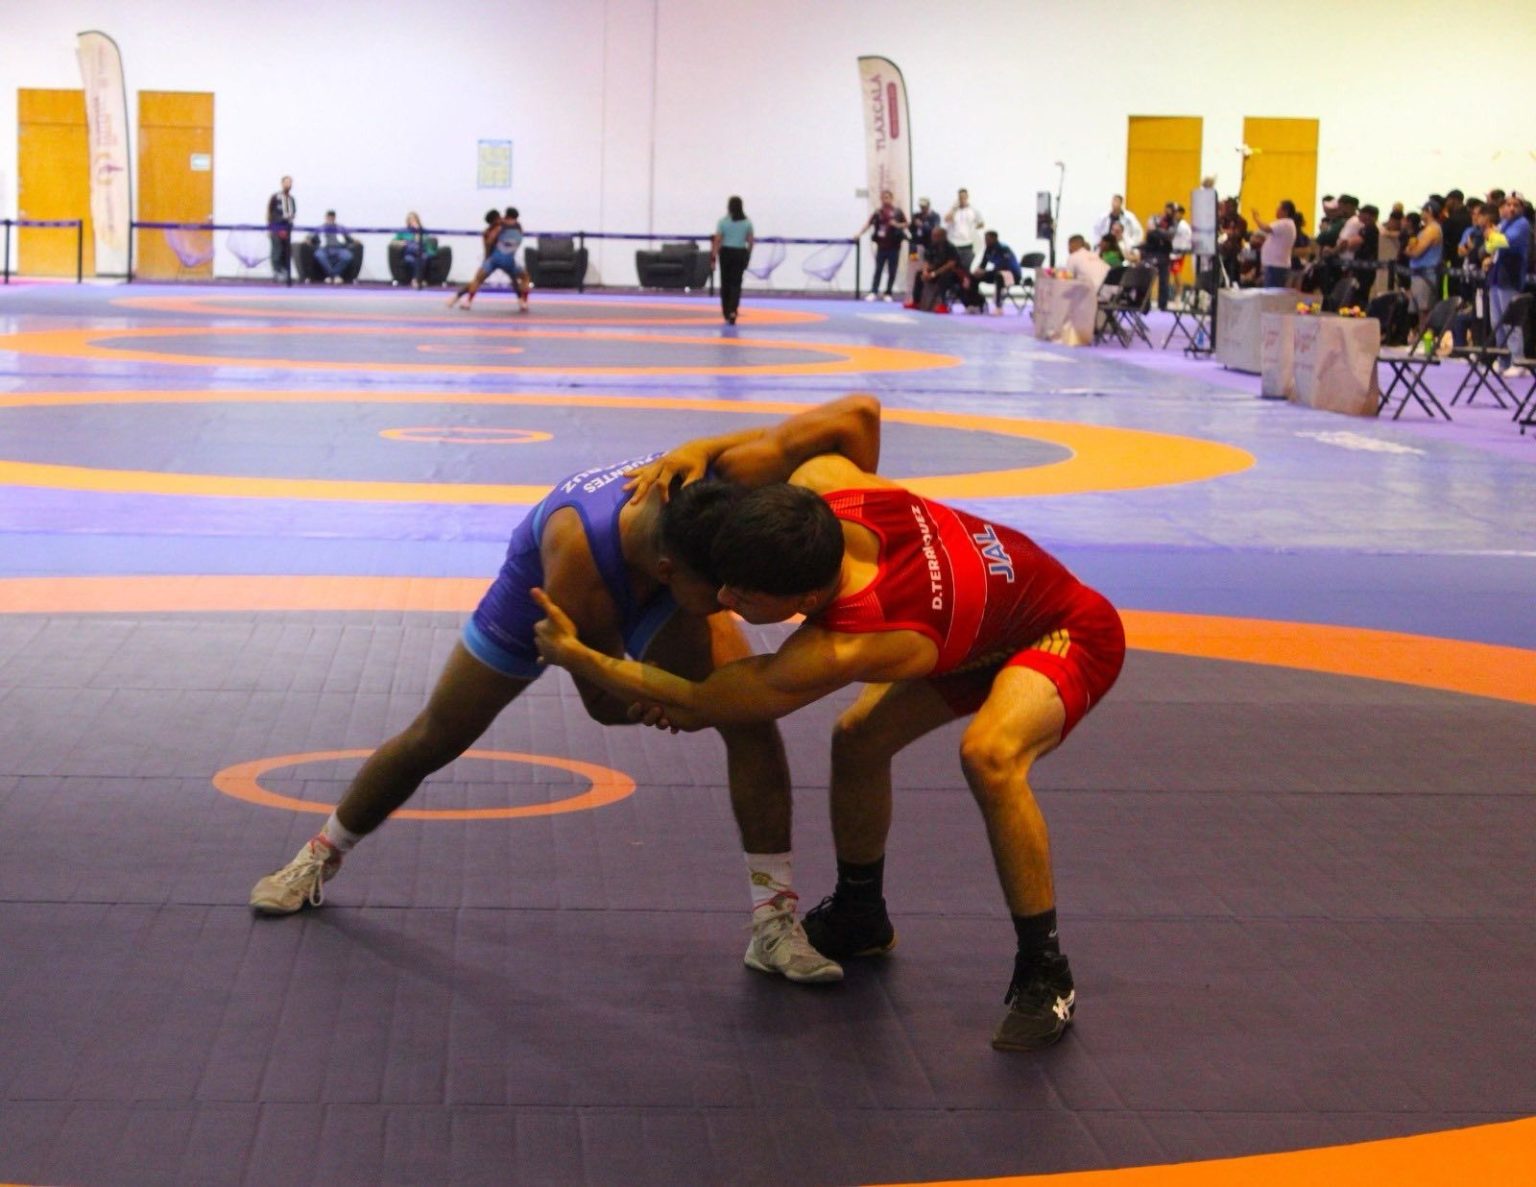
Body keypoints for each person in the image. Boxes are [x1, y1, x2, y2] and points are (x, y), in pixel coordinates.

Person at [536, 413, 1125, 1052]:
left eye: (744, 596)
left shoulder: (849, 643)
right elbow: (854, 415)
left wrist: (581, 657)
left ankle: (1046, 972)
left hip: (1063, 631)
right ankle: (860, 913)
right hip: (979, 623)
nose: (725, 598)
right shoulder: (826, 483)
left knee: (990, 755)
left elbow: (706, 702)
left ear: (806, 602)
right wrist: (702, 448)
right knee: (858, 738)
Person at [250, 397, 886, 985]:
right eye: (721, 595)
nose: (731, 605)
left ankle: (773, 922)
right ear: (670, 573)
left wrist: (708, 443)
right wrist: (686, 703)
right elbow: (604, 706)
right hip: (547, 596)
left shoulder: (728, 481)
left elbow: (857, 415)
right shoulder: (578, 561)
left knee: (749, 721)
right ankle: (321, 853)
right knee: (438, 734)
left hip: (665, 572)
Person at [1486, 192, 1532, 372]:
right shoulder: (1504, 223)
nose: (1511, 208)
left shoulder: (1522, 224)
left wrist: (1492, 234)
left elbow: (1505, 241)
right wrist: (1493, 237)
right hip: (1496, 276)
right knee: (1497, 322)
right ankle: (1503, 360)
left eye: (1516, 205)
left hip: (1510, 277)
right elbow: (1490, 247)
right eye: (1508, 204)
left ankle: (1518, 361)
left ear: (1521, 208)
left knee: (1510, 322)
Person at [450, 207, 529, 312]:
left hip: (495, 258)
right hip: (509, 259)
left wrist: (487, 254)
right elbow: (517, 243)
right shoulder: (519, 228)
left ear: (506, 215)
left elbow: (489, 241)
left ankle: (468, 302)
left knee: (478, 279)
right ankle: (523, 302)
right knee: (523, 277)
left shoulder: (499, 226)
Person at [857, 190, 908, 302]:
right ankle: (873, 291)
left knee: (892, 270)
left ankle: (888, 293)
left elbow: (906, 224)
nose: (886, 200)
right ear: (881, 199)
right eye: (884, 197)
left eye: (888, 197)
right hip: (882, 246)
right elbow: (868, 224)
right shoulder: (878, 212)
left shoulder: (897, 212)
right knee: (878, 270)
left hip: (894, 246)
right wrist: (859, 234)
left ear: (892, 198)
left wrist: (897, 225)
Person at [712, 195, 754, 325]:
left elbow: (717, 240)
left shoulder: (723, 222)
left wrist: (713, 257)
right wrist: (748, 255)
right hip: (740, 253)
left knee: (725, 282)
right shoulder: (747, 223)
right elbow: (750, 241)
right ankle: (733, 310)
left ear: (729, 207)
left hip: (726, 253)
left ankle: (726, 310)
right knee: (736, 283)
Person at [1404, 199, 1445, 319]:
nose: (1421, 213)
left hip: (1425, 274)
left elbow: (1415, 252)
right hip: (1419, 273)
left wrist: (1409, 250)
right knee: (1419, 311)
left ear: (1429, 212)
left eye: (1423, 210)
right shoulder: (1426, 229)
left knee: (1424, 311)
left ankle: (1425, 331)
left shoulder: (1432, 229)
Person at [909, 226, 962, 312]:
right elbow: (927, 261)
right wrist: (925, 272)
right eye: (933, 235)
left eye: (935, 236)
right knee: (919, 274)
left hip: (949, 273)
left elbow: (950, 265)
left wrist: (934, 274)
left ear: (942, 236)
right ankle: (916, 302)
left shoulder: (951, 248)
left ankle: (943, 305)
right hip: (934, 272)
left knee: (945, 277)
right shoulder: (932, 246)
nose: (933, 237)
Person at [971, 230, 1021, 315]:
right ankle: (977, 304)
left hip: (1012, 274)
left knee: (999, 277)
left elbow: (1004, 266)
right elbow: (983, 264)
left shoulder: (1003, 248)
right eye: (985, 239)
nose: (986, 241)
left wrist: (985, 272)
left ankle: (998, 307)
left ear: (995, 239)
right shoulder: (988, 249)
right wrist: (978, 271)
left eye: (988, 239)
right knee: (973, 277)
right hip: (997, 272)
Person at [1250, 200, 1298, 288]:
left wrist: (1256, 217)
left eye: (1278, 208)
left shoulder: (1285, 223)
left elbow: (1265, 227)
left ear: (1285, 211)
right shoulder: (1288, 224)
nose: (1276, 211)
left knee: (1272, 292)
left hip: (1276, 266)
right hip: (1275, 265)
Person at [308, 210, 357, 284]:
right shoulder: (320, 228)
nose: (330, 219)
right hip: (324, 249)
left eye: (332, 217)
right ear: (326, 218)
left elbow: (350, 238)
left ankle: (331, 276)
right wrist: (307, 240)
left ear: (334, 218)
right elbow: (310, 237)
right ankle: (335, 276)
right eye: (329, 217)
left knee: (348, 256)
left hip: (339, 249)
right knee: (318, 255)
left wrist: (355, 240)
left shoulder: (340, 228)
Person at [393, 212, 438, 288]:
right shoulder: (403, 231)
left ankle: (415, 280)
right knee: (410, 259)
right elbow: (393, 242)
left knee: (423, 258)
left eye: (414, 219)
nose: (412, 221)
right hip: (409, 253)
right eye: (410, 219)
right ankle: (420, 280)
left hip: (421, 253)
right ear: (408, 221)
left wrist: (417, 232)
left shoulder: (422, 231)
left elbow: (426, 241)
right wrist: (401, 242)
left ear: (417, 220)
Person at [944, 188, 985, 272]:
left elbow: (981, 223)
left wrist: (973, 229)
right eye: (960, 197)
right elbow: (947, 219)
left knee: (967, 267)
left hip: (967, 243)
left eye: (964, 197)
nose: (962, 199)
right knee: (952, 268)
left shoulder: (973, 210)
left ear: (967, 197)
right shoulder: (954, 210)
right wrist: (954, 209)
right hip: (954, 243)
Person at [266, 176, 296, 284]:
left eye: (290, 183)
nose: (288, 184)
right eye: (286, 182)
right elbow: (270, 212)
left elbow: (293, 213)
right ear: (282, 183)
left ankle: (285, 272)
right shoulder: (276, 197)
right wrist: (269, 227)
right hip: (276, 227)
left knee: (286, 250)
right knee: (277, 250)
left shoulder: (291, 199)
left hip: (287, 228)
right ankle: (276, 271)